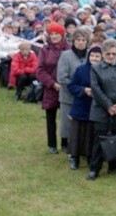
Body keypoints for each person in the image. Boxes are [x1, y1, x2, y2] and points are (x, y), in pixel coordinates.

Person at [87, 38, 116, 180]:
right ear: (103, 54)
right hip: (101, 110)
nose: (111, 56)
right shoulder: (95, 68)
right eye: (108, 54)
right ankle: (95, 168)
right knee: (99, 140)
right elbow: (96, 89)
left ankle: (114, 166)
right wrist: (108, 105)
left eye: (114, 53)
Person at [36, 22, 70, 154]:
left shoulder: (69, 49)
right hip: (50, 88)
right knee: (51, 118)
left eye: (57, 34)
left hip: (66, 88)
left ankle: (65, 143)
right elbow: (40, 70)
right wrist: (52, 83)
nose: (54, 36)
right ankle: (52, 144)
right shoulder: (45, 50)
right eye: (52, 34)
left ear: (62, 35)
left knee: (66, 118)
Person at [57, 26, 91, 155]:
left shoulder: (90, 55)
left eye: (83, 40)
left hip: (86, 96)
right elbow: (62, 77)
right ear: (73, 41)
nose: (81, 42)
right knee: (67, 122)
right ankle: (65, 143)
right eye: (78, 39)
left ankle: (81, 146)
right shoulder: (66, 55)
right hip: (69, 95)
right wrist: (76, 88)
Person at [66, 45, 101, 170]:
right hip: (81, 106)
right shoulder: (81, 70)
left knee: (90, 135)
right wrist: (83, 90)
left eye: (97, 56)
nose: (95, 59)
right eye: (92, 56)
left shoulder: (103, 71)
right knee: (76, 134)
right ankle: (75, 158)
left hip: (96, 108)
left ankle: (90, 157)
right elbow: (71, 86)